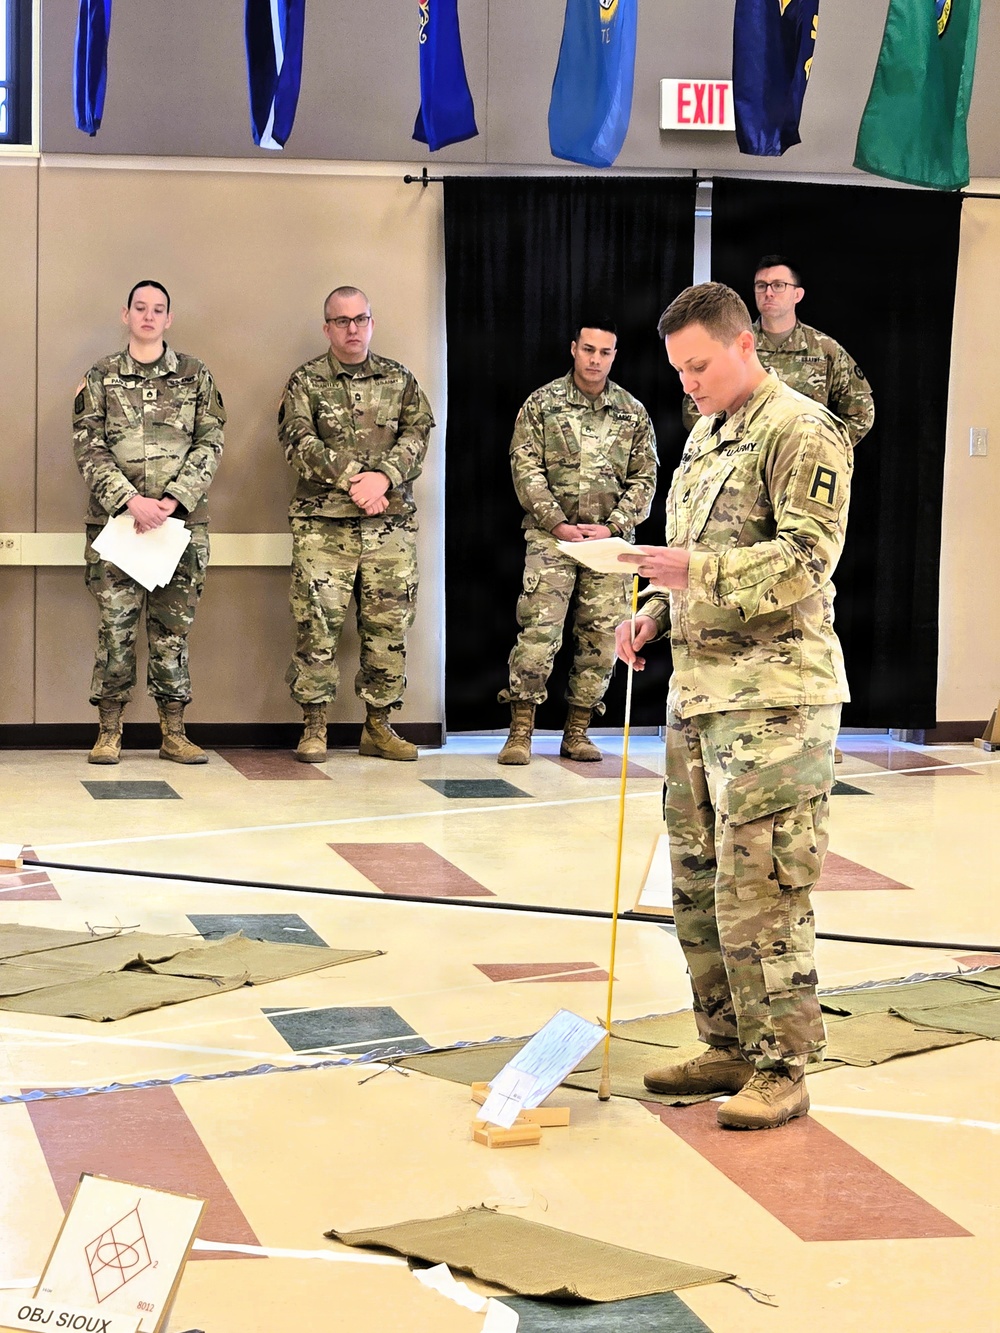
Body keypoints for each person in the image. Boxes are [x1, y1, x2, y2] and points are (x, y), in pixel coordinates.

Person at [616, 283, 852, 1130]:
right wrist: (652, 610)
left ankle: (782, 1066)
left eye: (699, 366)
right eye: (679, 370)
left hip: (777, 701)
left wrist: (696, 574)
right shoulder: (706, 434)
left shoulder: (802, 429)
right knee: (696, 881)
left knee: (763, 888)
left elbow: (808, 559)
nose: (688, 383)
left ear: (744, 344)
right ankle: (726, 1042)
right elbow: (688, 554)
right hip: (700, 694)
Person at [279, 286, 434, 763]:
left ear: (372, 322)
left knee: (389, 628)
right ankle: (314, 726)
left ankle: (378, 726)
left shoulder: (400, 379)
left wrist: (383, 477)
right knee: (317, 627)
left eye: (360, 319)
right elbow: (297, 441)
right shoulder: (305, 381)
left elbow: (418, 434)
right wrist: (355, 481)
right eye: (342, 321)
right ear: (327, 328)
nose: (353, 329)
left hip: (388, 528)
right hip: (323, 527)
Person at [73, 280, 226, 766]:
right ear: (126, 314)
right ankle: (109, 732)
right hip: (116, 527)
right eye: (140, 308)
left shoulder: (195, 375)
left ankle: (173, 733)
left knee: (172, 634)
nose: (148, 316)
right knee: (115, 631)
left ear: (168, 318)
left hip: (179, 528)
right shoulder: (101, 376)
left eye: (158, 309)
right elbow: (88, 446)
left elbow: (211, 442)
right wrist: (130, 500)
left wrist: (173, 500)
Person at [497, 321, 657, 765]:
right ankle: (520, 732)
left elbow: (645, 478)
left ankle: (578, 731)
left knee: (602, 639)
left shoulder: (632, 412)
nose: (595, 359)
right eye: (588, 349)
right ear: (573, 349)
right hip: (552, 539)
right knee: (538, 633)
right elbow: (525, 467)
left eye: (605, 352)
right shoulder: (542, 404)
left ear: (614, 356)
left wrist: (614, 526)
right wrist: (557, 522)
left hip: (609, 543)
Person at [682, 255, 874, 447]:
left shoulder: (824, 349)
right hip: (742, 459)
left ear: (797, 295)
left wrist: (824, 448)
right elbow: (694, 407)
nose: (769, 293)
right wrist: (721, 448)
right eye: (761, 286)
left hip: (800, 456)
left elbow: (861, 412)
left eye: (778, 285)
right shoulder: (731, 345)